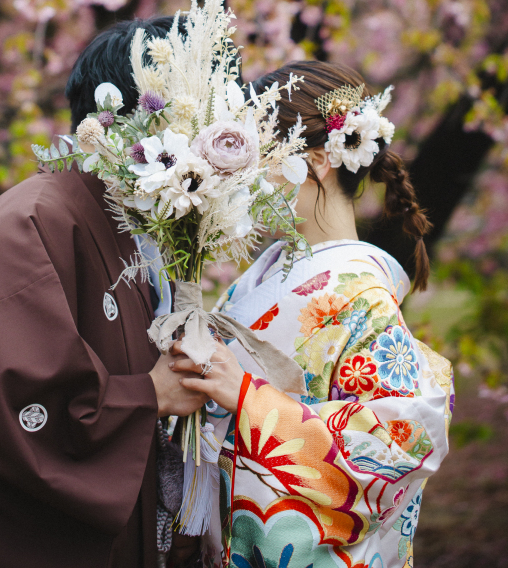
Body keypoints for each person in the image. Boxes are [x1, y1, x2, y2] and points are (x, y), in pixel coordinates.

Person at [0, 18, 203, 568]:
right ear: (146, 116)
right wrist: (148, 395)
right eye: (201, 116)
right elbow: (3, 409)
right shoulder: (26, 226)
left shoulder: (136, 225)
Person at [169, 61, 453, 568]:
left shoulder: (361, 295)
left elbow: (397, 444)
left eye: (259, 154)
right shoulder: (262, 276)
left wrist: (247, 401)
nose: (242, 174)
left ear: (318, 159)